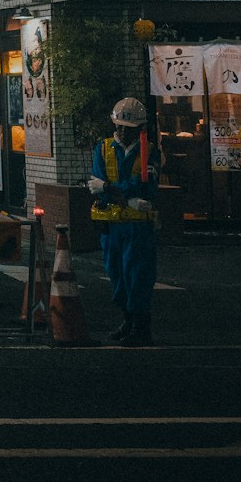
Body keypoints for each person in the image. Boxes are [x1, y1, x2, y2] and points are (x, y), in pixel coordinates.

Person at [88, 96, 159, 346]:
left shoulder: (149, 151)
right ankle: (128, 320)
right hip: (112, 226)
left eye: (127, 128)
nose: (121, 132)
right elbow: (96, 186)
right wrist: (124, 195)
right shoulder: (104, 148)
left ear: (140, 129)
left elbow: (145, 186)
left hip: (138, 227)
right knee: (117, 275)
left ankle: (141, 327)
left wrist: (109, 187)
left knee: (137, 275)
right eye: (118, 126)